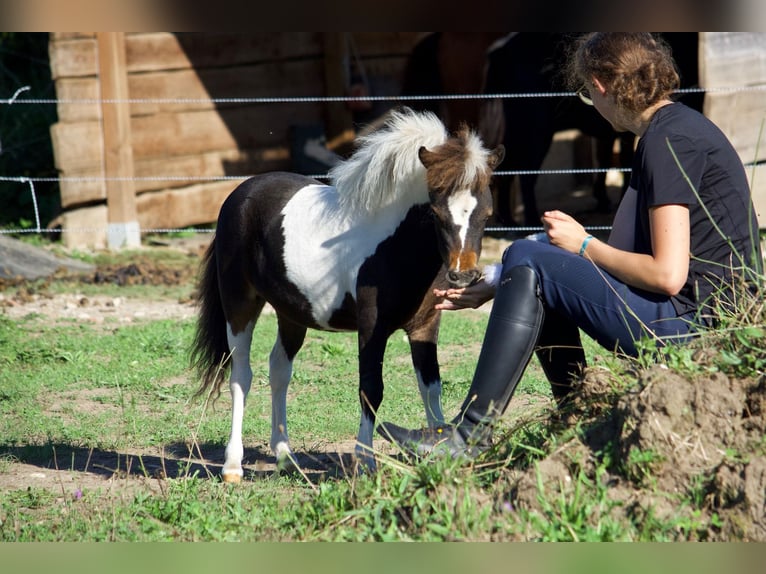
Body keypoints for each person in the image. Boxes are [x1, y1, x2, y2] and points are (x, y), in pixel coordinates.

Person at [378, 32, 763, 458]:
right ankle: (575, 418)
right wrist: (506, 280)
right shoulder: (667, 132)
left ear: (600, 86)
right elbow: (617, 253)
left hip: (696, 329)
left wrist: (581, 246)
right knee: (529, 259)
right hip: (690, 316)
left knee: (527, 255)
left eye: (585, 93)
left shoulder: (669, 142)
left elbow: (667, 275)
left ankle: (469, 436)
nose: (590, 104)